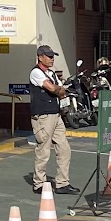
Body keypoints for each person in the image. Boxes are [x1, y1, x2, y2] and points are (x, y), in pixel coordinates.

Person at [28, 45, 76, 194]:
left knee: (64, 148)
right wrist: (59, 90)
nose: (51, 59)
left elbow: (61, 91)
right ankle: (39, 183)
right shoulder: (36, 73)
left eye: (52, 56)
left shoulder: (51, 73)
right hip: (43, 116)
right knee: (43, 150)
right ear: (40, 57)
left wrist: (59, 90)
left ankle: (62, 183)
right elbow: (53, 89)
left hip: (56, 115)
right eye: (48, 56)